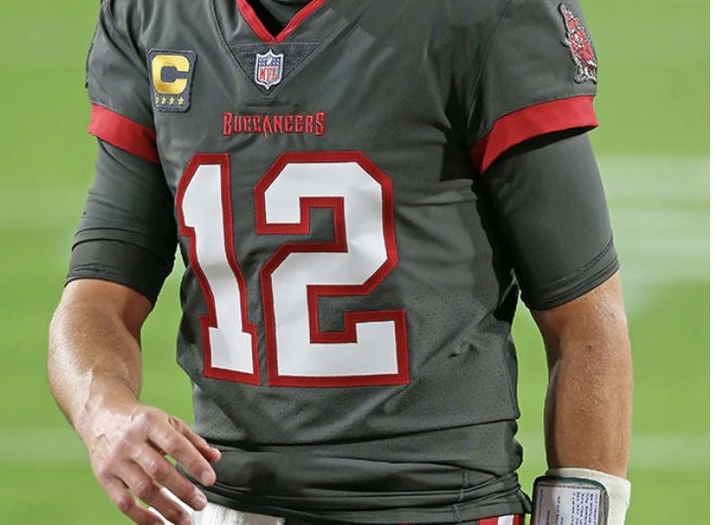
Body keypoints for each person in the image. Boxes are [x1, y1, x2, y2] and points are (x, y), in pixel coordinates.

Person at [47, 1, 633, 524]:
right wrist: (103, 410)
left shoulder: (480, 14)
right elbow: (99, 294)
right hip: (228, 503)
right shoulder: (152, 14)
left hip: (434, 505)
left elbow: (585, 322)